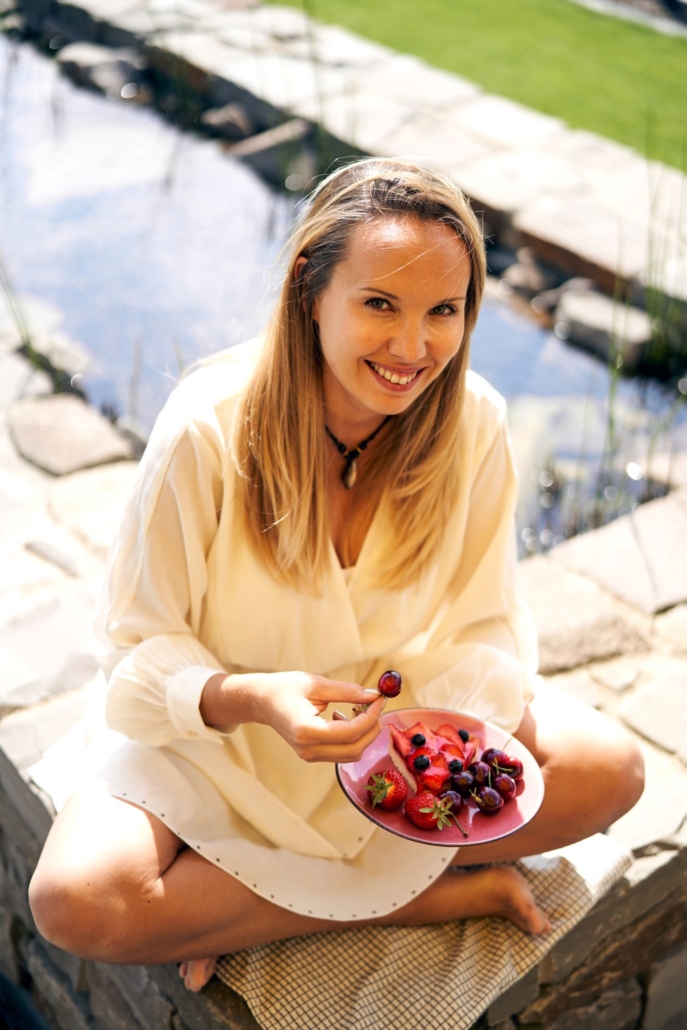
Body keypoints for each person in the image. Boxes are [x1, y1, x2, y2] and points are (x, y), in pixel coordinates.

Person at [28, 159, 644, 994]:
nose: (412, 347)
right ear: (308, 290)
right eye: (379, 304)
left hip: (385, 735)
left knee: (611, 773)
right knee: (79, 903)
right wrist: (250, 699)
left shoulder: (476, 425)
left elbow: (483, 624)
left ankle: (249, 904)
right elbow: (134, 656)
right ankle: (415, 900)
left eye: (443, 312)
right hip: (224, 738)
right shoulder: (205, 430)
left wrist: (422, 743)